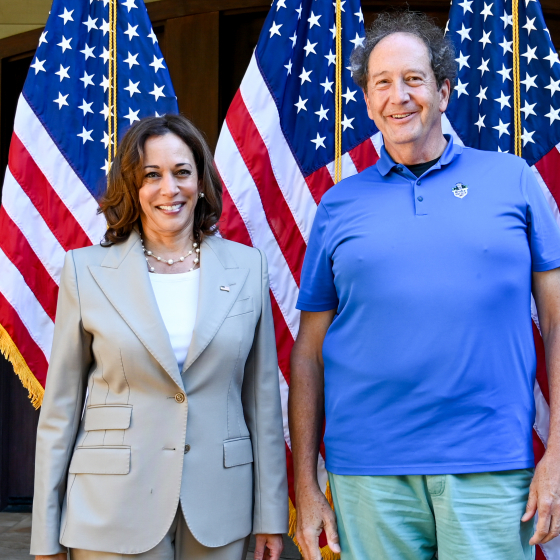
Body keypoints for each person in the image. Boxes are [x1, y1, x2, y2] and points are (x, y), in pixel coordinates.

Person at [289, 10, 560, 560]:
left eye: (413, 79)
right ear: (367, 102)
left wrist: (557, 456)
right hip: (368, 472)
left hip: (490, 465)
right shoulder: (338, 205)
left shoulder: (514, 181)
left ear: (443, 90)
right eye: (382, 83)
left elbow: (556, 324)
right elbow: (308, 352)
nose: (399, 96)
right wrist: (305, 484)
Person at [30, 114, 288, 560]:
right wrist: (45, 533)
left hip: (219, 505)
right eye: (152, 175)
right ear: (133, 187)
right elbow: (61, 411)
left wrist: (269, 516)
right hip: (110, 506)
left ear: (202, 181)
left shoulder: (248, 268)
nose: (170, 189)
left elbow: (262, 401)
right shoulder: (85, 271)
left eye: (182, 172)